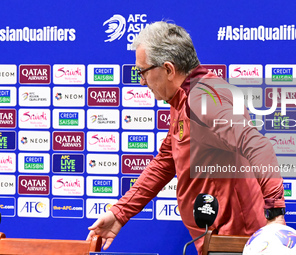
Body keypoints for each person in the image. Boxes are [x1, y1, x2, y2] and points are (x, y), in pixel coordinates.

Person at [87, 21, 285, 254]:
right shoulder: (184, 98)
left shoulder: (203, 100)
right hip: (215, 239)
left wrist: (275, 214)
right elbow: (165, 162)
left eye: (143, 71)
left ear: (169, 69)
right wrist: (120, 213)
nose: (141, 81)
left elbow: (257, 146)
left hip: (235, 242)